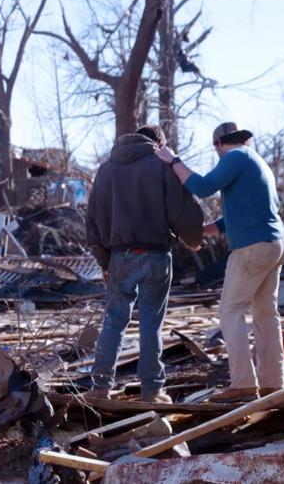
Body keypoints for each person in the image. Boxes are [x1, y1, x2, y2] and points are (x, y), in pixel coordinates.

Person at [156, 122, 284, 403]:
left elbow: (202, 187)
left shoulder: (235, 157)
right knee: (266, 313)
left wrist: (173, 161)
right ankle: (273, 384)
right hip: (275, 242)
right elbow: (233, 219)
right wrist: (201, 231)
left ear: (219, 144)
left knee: (230, 312)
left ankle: (242, 383)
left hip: (253, 248)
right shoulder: (256, 162)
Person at [85, 125, 204, 404]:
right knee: (151, 323)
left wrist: (104, 261)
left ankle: (100, 387)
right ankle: (152, 391)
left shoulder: (105, 170)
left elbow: (93, 219)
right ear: (159, 143)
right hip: (156, 254)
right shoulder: (161, 165)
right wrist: (193, 237)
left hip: (119, 256)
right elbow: (180, 208)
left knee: (114, 321)